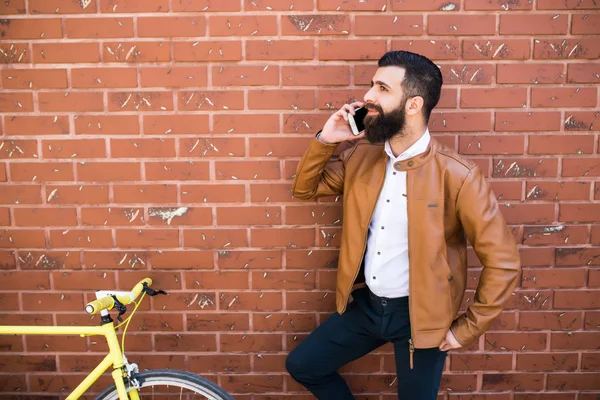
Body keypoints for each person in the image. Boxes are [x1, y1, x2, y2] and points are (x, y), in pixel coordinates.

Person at [285, 50, 521, 399]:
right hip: (367, 307)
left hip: (421, 320)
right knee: (304, 365)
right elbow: (305, 189)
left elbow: (503, 261)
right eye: (371, 86)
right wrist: (326, 140)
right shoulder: (361, 156)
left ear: (413, 105)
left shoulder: (458, 175)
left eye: (382, 88)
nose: (368, 96)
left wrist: (465, 331)